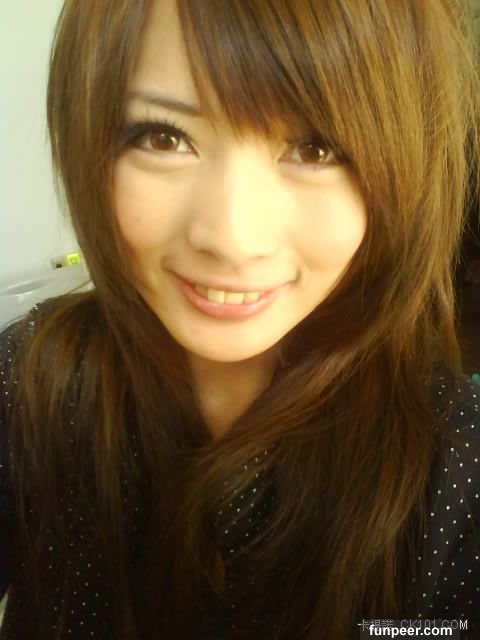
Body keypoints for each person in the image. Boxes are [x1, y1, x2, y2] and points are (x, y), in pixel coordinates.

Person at [1, 0, 480, 638]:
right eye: (165, 138)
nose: (233, 238)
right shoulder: (28, 377)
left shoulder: (455, 462)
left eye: (315, 148)